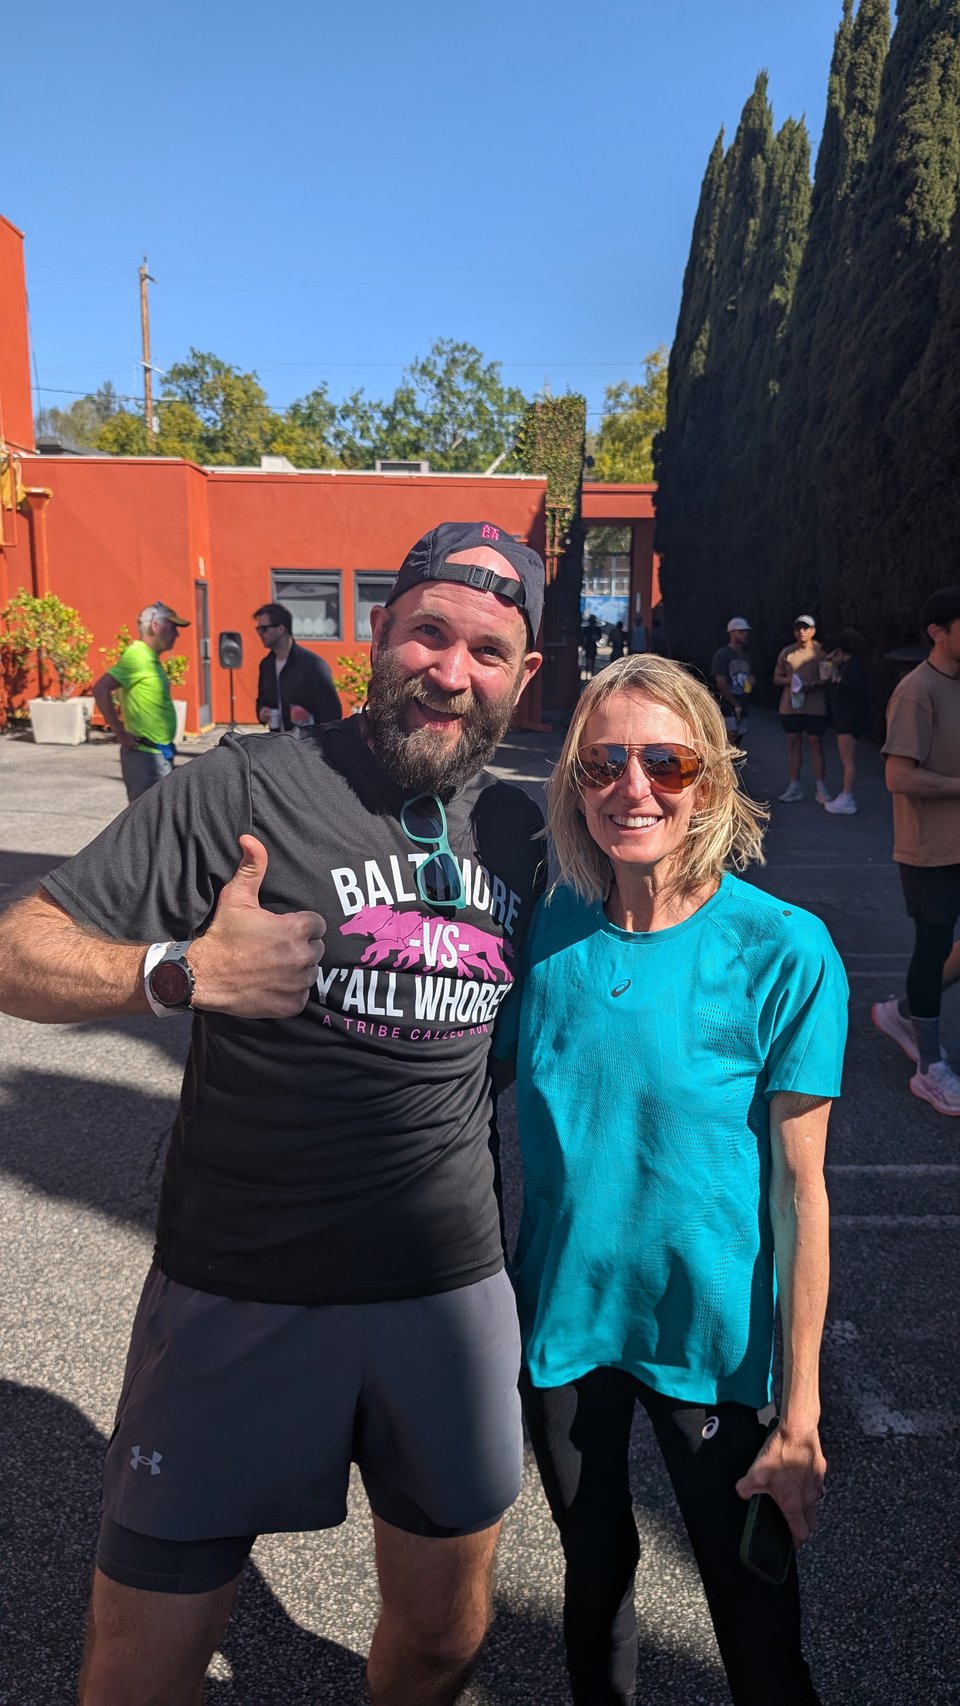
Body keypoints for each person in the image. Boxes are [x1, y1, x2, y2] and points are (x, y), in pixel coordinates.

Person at [0, 520, 546, 1706]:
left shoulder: (528, 834)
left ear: (525, 674)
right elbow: (15, 947)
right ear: (381, 635)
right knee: (137, 1673)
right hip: (238, 1285)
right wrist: (177, 973)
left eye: (488, 651)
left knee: (447, 1639)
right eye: (429, 634)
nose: (451, 672)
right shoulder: (243, 786)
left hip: (444, 1294)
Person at [495, 653, 847, 1706]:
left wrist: (800, 1412)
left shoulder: (784, 948)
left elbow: (800, 1194)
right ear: (575, 783)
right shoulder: (549, 926)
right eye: (602, 763)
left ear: (710, 778)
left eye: (665, 759)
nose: (631, 787)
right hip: (563, 1333)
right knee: (594, 1585)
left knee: (758, 1633)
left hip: (715, 1349)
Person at [871, 586, 960, 1116]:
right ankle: (930, 1068)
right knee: (931, 948)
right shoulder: (916, 691)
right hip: (929, 850)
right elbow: (897, 775)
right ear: (938, 631)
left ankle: (903, 1013)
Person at [91, 601, 190, 801]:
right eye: (173, 628)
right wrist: (119, 732)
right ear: (155, 626)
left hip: (158, 753)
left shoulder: (149, 658)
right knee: (150, 821)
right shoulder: (137, 656)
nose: (177, 635)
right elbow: (101, 689)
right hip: (145, 757)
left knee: (161, 818)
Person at [253, 601, 342, 731]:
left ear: (280, 629)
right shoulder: (266, 665)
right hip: (276, 741)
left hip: (306, 744)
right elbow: (261, 700)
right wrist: (262, 712)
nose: (260, 634)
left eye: (264, 629)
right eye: (258, 629)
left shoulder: (312, 665)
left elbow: (332, 713)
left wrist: (309, 718)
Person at [773, 616, 831, 804]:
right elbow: (776, 678)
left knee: (816, 744)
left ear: (813, 630)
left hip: (814, 707)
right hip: (791, 707)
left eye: (806, 628)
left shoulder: (822, 652)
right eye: (798, 628)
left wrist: (811, 685)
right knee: (793, 745)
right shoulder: (787, 652)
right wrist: (791, 681)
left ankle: (821, 788)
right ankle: (794, 786)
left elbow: (827, 678)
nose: (802, 632)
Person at [821, 629, 870, 815]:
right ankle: (845, 795)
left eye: (832, 656)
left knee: (848, 760)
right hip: (846, 719)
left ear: (839, 652)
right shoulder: (849, 666)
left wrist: (837, 678)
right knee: (846, 760)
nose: (830, 660)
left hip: (849, 720)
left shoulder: (853, 667)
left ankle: (847, 796)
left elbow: (854, 690)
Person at [711, 616, 755, 746]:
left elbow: (747, 685)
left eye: (746, 631)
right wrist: (735, 704)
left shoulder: (746, 657)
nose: (745, 634)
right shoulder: (723, 655)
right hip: (727, 707)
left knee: (737, 745)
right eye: (741, 631)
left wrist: (750, 683)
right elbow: (721, 683)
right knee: (727, 744)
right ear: (731, 632)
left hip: (743, 706)